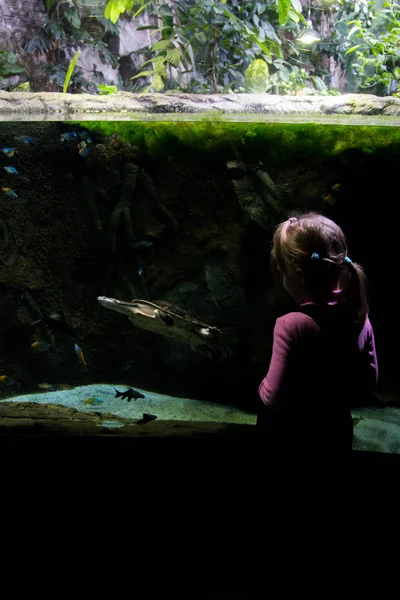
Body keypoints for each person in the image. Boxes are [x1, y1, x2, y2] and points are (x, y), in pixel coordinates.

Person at [257, 212, 378, 457]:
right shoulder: (360, 318)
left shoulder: (291, 325)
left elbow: (273, 397)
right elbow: (370, 382)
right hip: (335, 431)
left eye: (282, 271)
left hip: (292, 437)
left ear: (297, 275)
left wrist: (260, 386)